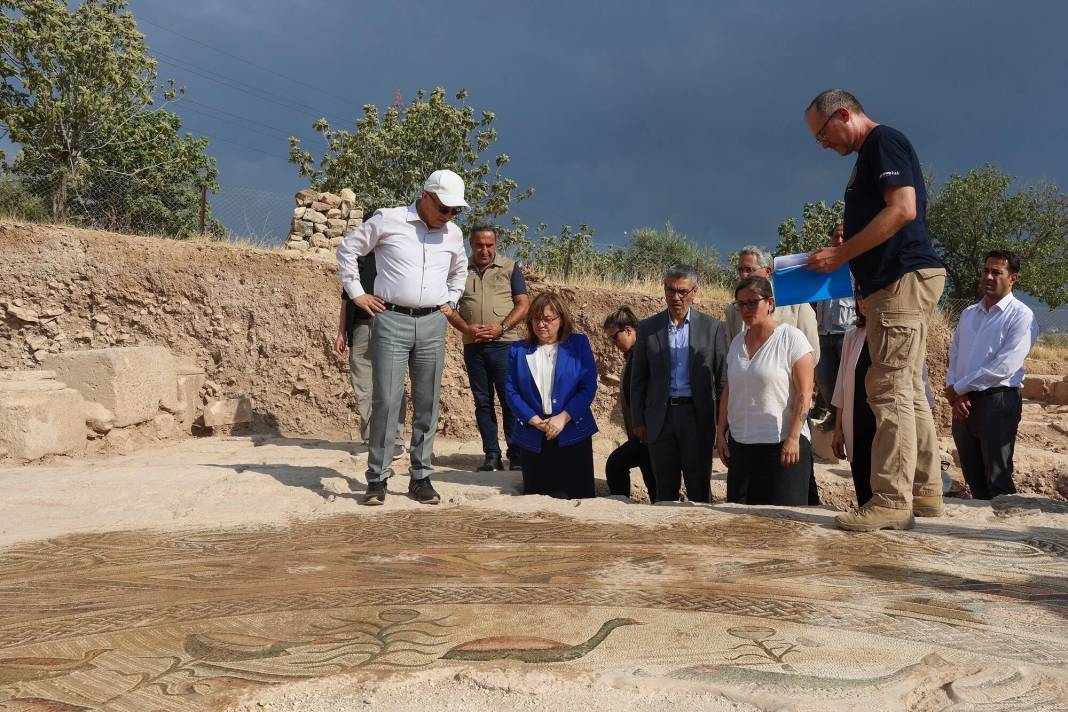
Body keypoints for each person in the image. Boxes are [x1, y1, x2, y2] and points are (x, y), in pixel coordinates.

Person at [805, 89, 947, 531]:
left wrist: (843, 253)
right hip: (896, 283)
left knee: (886, 388)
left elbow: (903, 210)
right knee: (904, 387)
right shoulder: (872, 154)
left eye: (822, 133)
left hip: (900, 281)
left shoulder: (883, 143)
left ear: (843, 114)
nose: (822, 143)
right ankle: (924, 492)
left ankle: (890, 499)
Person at [336, 169, 468, 506]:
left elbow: (459, 270)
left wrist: (451, 301)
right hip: (390, 319)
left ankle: (421, 477)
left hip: (432, 323)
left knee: (427, 402)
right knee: (387, 401)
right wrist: (357, 294)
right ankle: (377, 479)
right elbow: (347, 250)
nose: (448, 216)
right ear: (426, 197)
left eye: (455, 211)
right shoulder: (388, 220)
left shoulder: (453, 234)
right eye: (444, 208)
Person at [723, 246, 822, 505]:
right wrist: (720, 433)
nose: (745, 309)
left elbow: (805, 388)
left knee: (784, 522)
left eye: (752, 303)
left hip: (781, 441)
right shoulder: (736, 343)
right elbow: (729, 387)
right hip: (743, 444)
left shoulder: (792, 334)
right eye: (741, 304)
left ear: (770, 303)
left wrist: (793, 437)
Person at [833, 293, 942, 507]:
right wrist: (838, 429)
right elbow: (842, 387)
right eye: (860, 297)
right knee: (864, 488)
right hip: (858, 423)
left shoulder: (901, 334)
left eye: (869, 296)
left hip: (890, 422)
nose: (864, 302)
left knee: (891, 479)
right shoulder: (852, 337)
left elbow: (919, 385)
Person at [631, 265, 727, 504]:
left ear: (694, 292)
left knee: (698, 488)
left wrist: (721, 423)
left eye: (682, 291)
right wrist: (638, 420)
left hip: (697, 417)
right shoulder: (648, 328)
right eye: (670, 290)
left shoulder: (712, 328)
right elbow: (638, 378)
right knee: (664, 488)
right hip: (660, 419)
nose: (675, 297)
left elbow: (722, 378)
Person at [945, 250, 1038, 500]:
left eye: (996, 272)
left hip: (998, 402)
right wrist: (954, 389)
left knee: (998, 480)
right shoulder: (968, 314)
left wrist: (959, 388)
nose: (988, 276)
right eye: (986, 270)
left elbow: (1005, 366)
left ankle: (1004, 537)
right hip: (962, 404)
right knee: (974, 480)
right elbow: (954, 354)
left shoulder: (1022, 316)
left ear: (1013, 279)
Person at [447, 225, 530, 472]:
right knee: (482, 402)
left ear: (496, 244)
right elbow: (448, 307)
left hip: (505, 345)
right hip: (474, 347)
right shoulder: (460, 269)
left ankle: (516, 455)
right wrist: (466, 329)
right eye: (479, 245)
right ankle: (491, 455)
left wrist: (502, 328)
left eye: (489, 245)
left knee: (510, 400)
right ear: (470, 245)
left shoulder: (510, 267)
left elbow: (523, 304)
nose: (484, 250)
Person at [504, 292, 598, 499]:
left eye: (548, 319)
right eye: (536, 319)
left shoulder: (579, 344)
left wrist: (563, 418)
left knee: (576, 496)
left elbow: (587, 386)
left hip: (573, 434)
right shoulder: (518, 350)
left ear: (561, 319)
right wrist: (534, 420)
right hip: (534, 436)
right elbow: (511, 391)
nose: (541, 325)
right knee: (538, 500)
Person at [333, 252, 406, 458]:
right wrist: (341, 333)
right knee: (363, 386)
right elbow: (347, 299)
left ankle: (396, 440)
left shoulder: (396, 255)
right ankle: (370, 439)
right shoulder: (357, 261)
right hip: (360, 328)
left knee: (393, 384)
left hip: (390, 326)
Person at [723, 246, 820, 365]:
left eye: (749, 269)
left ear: (767, 272)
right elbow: (731, 355)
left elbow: (812, 353)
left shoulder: (796, 304)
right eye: (741, 270)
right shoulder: (733, 310)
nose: (744, 275)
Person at [602, 306, 656, 502]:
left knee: (616, 464)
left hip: (649, 435)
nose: (612, 343)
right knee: (653, 484)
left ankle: (621, 506)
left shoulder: (646, 353)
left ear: (628, 330)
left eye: (614, 337)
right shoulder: (633, 355)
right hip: (641, 435)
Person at [814, 223, 857, 431]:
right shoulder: (823, 265)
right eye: (836, 236)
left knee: (848, 381)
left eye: (843, 236)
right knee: (823, 379)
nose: (839, 240)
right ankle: (834, 415)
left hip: (847, 331)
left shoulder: (857, 265)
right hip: (823, 331)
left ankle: (847, 419)